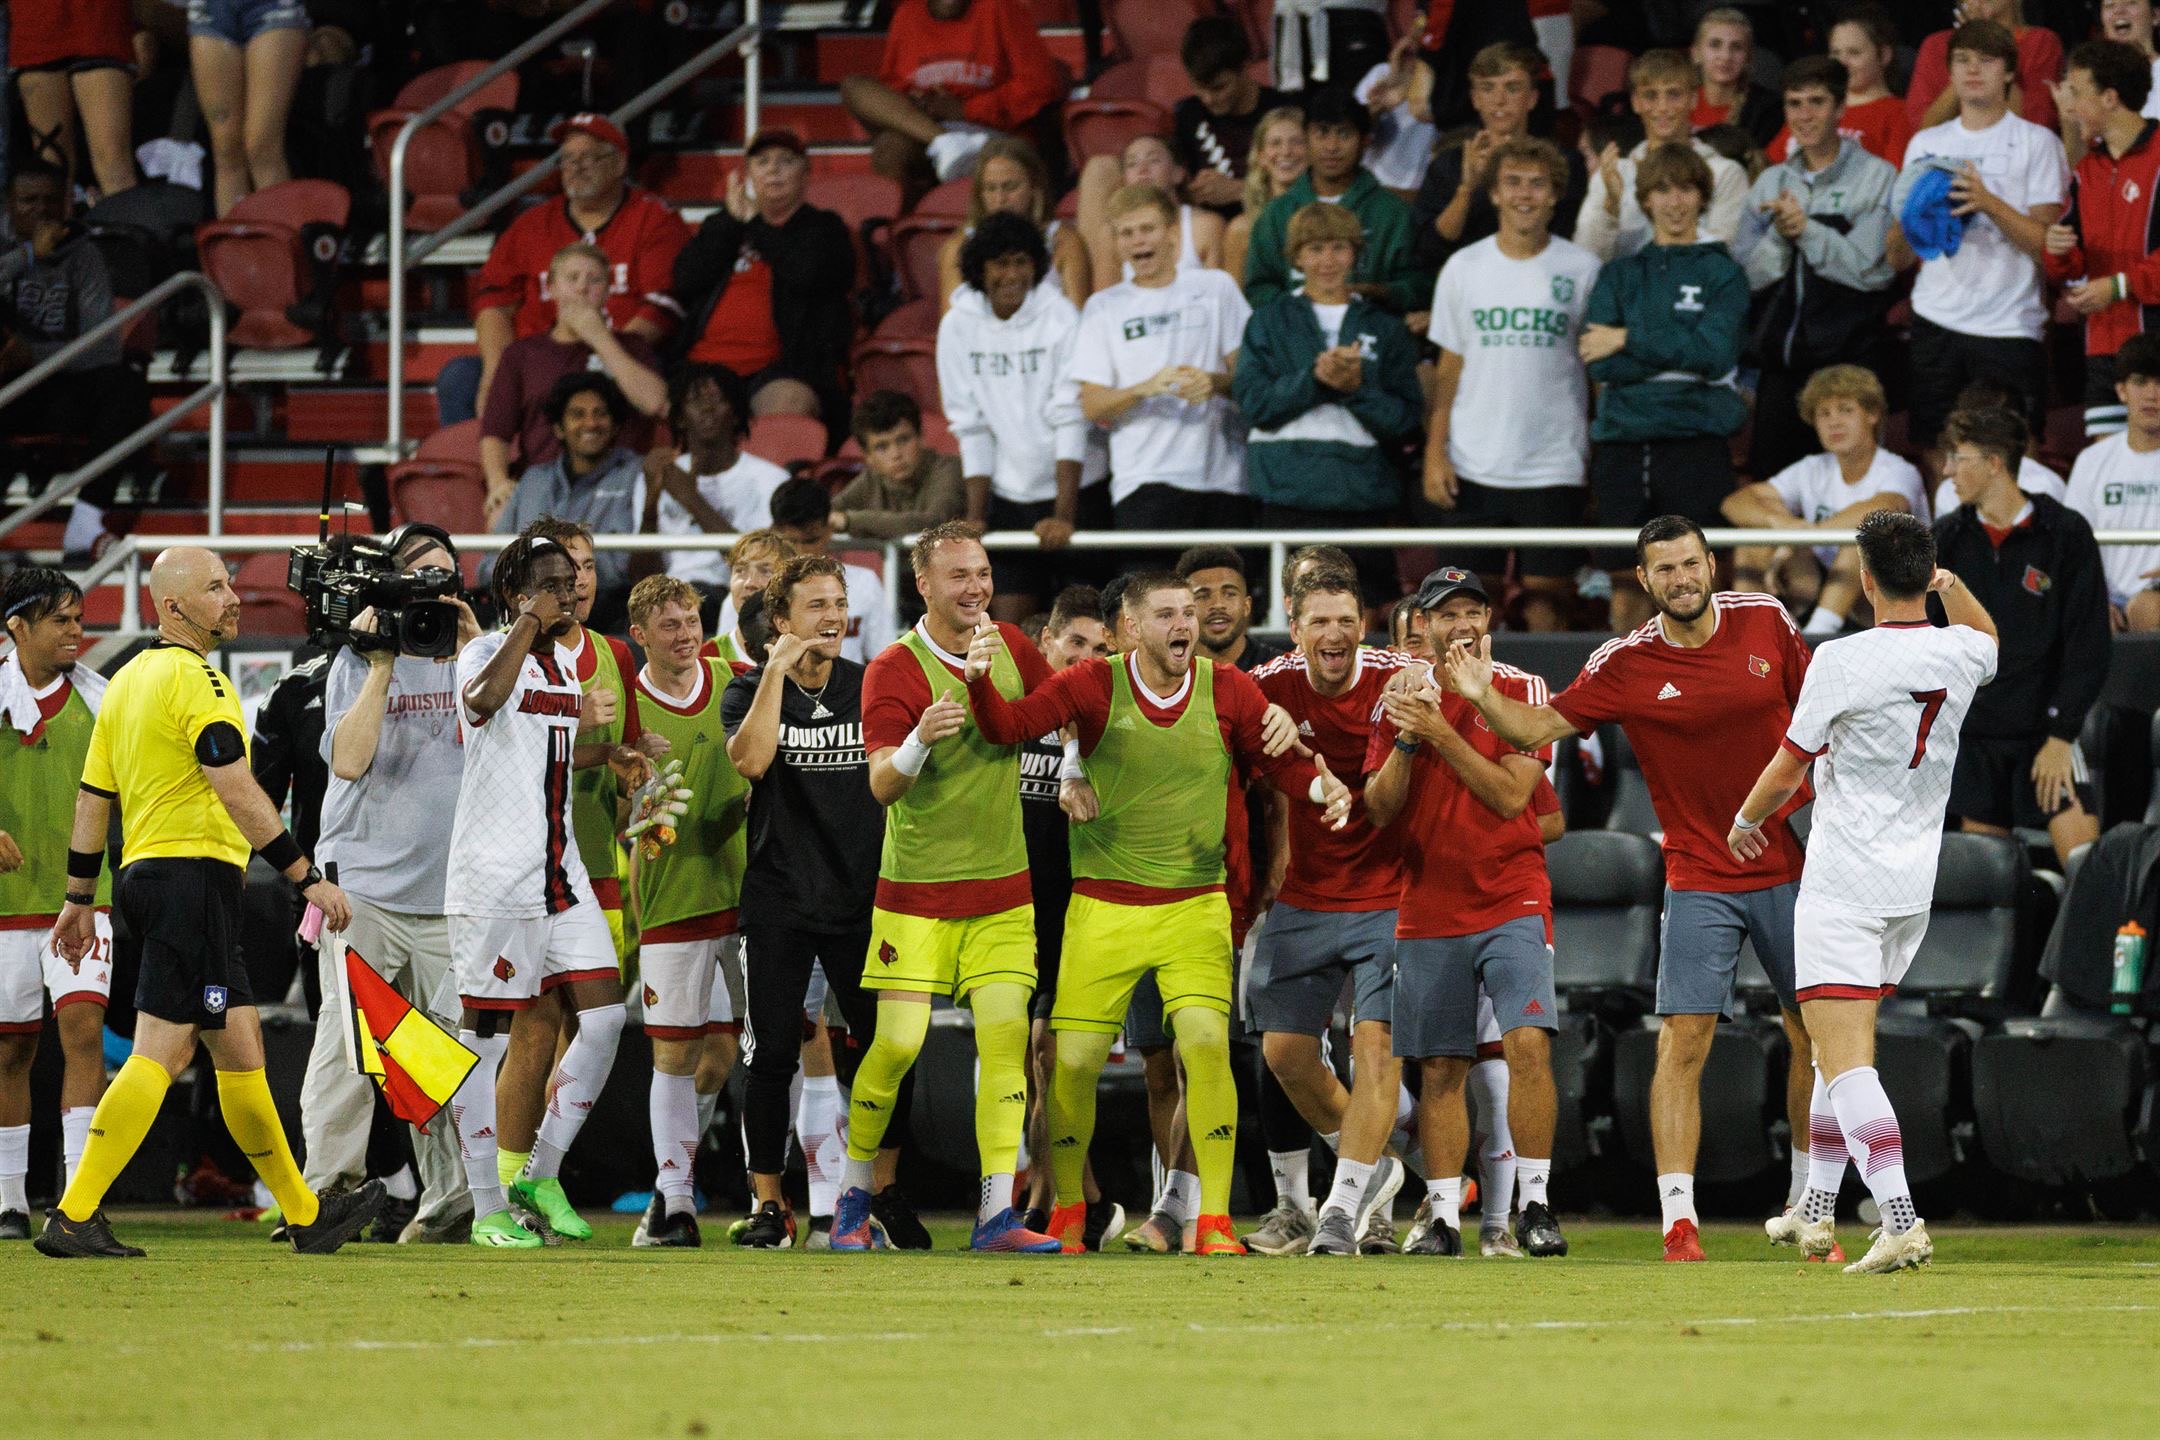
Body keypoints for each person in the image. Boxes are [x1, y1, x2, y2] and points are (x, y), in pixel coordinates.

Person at [1441, 516, 1821, 1264]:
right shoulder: (1625, 661)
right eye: (1664, 570)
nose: (1681, 578)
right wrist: (1482, 695)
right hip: (1699, 873)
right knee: (1683, 1042)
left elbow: (1819, 722)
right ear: (1643, 582)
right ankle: (1679, 1222)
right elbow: (1536, 726)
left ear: (1711, 564)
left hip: (1792, 862)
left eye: (1690, 564)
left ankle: (1809, 1204)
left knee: (1813, 1032)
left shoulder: (1767, 621)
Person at [962, 574, 1350, 1255]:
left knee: (1204, 1045)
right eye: (1168, 613)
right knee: (1073, 1062)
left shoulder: (1227, 689)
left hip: (1194, 906)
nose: (1187, 624)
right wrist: (977, 684)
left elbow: (1278, 763)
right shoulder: (1090, 685)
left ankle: (1215, 1222)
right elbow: (1008, 727)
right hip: (1103, 909)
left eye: (1190, 613)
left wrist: (1322, 785)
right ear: (1133, 628)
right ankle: (1071, 1213)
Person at [35, 546, 378, 1258]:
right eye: (216, 587)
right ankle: (73, 1212)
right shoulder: (199, 681)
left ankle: (305, 1214)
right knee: (163, 1051)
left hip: (152, 880)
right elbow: (232, 782)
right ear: (172, 606)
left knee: (240, 1048)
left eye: (229, 584)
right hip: (194, 880)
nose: (233, 598)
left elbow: (95, 797)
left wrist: (78, 897)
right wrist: (304, 875)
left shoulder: (126, 683)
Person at [1729, 511, 1999, 1274]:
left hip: (1845, 879)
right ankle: (1814, 1210)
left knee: (1844, 1060)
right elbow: (1993, 642)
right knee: (1831, 1051)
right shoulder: (1962, 650)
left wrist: (1744, 820)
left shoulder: (1842, 660)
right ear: (1928, 576)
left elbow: (1787, 767)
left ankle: (1900, 1217)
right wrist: (1956, 586)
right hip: (1912, 884)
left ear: (1868, 580)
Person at [839, 523, 1066, 1253]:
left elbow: (1062, 713)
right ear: (926, 587)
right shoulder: (893, 670)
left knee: (1003, 1048)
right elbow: (880, 785)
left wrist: (1082, 771)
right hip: (915, 897)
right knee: (897, 1046)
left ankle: (995, 1215)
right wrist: (918, 742)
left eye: (983, 573)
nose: (976, 589)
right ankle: (852, 1198)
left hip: (1003, 894)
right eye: (960, 576)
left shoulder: (1009, 647)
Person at [1368, 566, 1567, 1260]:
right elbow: (1379, 812)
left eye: (1471, 612)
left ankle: (1536, 1206)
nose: (1459, 625)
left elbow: (1516, 800)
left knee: (1528, 1047)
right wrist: (1405, 738)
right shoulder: (1396, 699)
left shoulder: (1523, 691)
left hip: (1512, 894)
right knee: (1442, 1068)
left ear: (1488, 621)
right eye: (1444, 614)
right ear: (1421, 625)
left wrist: (1442, 734)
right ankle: (1444, 1215)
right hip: (1427, 900)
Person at [722, 555, 919, 1249]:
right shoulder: (748, 692)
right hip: (779, 898)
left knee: (891, 1050)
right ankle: (770, 1207)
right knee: (772, 1053)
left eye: (839, 603)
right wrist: (775, 670)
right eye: (817, 606)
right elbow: (748, 761)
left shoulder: (871, 687)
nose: (834, 617)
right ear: (782, 621)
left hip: (866, 898)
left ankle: (881, 1193)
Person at [441, 534, 631, 1250]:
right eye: (553, 581)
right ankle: (485, 1204)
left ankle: (539, 1172)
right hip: (495, 881)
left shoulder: (557, 666)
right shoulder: (485, 652)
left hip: (561, 871)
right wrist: (524, 621)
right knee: (484, 1045)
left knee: (607, 1017)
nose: (572, 589)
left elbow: (544, 747)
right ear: (518, 592)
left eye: (575, 579)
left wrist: (607, 751)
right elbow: (483, 704)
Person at [303, 525, 482, 1246]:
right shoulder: (356, 656)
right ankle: (323, 1195)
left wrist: (471, 651)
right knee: (351, 1049)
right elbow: (346, 761)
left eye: (445, 578)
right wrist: (381, 664)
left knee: (446, 1055)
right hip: (366, 891)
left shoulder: (480, 658)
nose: (433, 592)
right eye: (420, 578)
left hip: (451, 894)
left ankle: (451, 1204)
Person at [1248, 569, 1421, 1255]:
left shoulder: (1396, 676)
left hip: (1391, 893)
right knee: (1284, 1052)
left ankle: (1341, 1211)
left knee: (1374, 1050)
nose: (1334, 633)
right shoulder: (1268, 685)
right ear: (1295, 628)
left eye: (1346, 619)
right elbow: (1218, 713)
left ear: (1363, 624)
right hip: (1308, 895)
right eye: (1318, 621)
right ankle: (1375, 1169)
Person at [622, 575, 752, 1249]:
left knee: (725, 1052)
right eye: (668, 625)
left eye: (690, 621)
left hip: (746, 895)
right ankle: (675, 1204)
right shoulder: (625, 707)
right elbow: (605, 805)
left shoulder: (736, 681)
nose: (684, 635)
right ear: (639, 635)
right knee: (674, 1054)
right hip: (671, 896)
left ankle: (670, 1195)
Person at [1425, 136, 1601, 633]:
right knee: (1461, 613)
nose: (1525, 194)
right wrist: (1436, 453)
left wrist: (1596, 454)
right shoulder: (1463, 268)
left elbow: (1595, 373)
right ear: (1495, 194)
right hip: (1473, 463)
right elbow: (1448, 370)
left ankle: (1548, 709)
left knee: (1550, 609)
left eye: (1537, 184)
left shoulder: (1583, 268)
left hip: (1554, 464)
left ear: (1555, 195)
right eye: (1513, 183)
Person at [1580, 143, 1750, 632]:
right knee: (1625, 581)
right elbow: (1600, 362)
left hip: (1697, 440)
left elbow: (1715, 355)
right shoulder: (1620, 273)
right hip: (1622, 444)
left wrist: (1630, 338)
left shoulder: (1723, 273)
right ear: (1645, 199)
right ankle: (1622, 693)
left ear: (1702, 197)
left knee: (1696, 585)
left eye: (1686, 189)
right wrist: (1679, 351)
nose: (1675, 202)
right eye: (1662, 190)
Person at [1933, 407, 2111, 867]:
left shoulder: (2066, 534)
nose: (1948, 469)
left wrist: (2061, 736)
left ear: (1995, 463)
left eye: (1959, 457)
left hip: (2045, 736)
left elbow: (2088, 645)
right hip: (1975, 739)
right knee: (1991, 881)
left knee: (2086, 869)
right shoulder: (1946, 539)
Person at [1890, 18, 2068, 457]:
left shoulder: (2037, 142)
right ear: (1948, 71)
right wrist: (1910, 225)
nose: (1973, 70)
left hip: (2009, 322)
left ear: (2009, 72)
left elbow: (2048, 247)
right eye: (1963, 61)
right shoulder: (1926, 143)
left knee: (2016, 450)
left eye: (1986, 61)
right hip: (1936, 315)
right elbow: (1898, 246)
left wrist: (1987, 202)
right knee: (1936, 450)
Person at [447, 113, 688, 428]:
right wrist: (496, 371)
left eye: (589, 157)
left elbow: (663, 307)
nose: (576, 166)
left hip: (617, 353)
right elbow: (494, 303)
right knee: (459, 378)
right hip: (535, 358)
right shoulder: (531, 224)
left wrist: (604, 355)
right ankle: (479, 473)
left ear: (619, 165)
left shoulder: (655, 219)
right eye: (568, 158)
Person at [1236, 203, 1424, 606]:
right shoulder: (1268, 321)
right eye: (1315, 248)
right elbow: (1254, 404)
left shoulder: (1384, 326)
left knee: (1368, 620)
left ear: (1355, 253)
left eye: (1338, 247)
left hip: (1363, 497)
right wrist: (1315, 380)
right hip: (1287, 494)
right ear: (1297, 257)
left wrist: (1355, 389)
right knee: (1289, 621)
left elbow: (1406, 420)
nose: (1327, 260)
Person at [0, 569, 110, 1239]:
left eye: (78, 617)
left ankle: (77, 1196)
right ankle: (9, 1198)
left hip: (82, 903)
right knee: (10, 1054)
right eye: (61, 620)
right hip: (7, 907)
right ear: (16, 626)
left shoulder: (101, 700)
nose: (77, 631)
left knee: (84, 1035)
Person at [1015, 587, 1122, 1247]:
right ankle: (1071, 1200)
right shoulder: (1012, 716)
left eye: (1100, 648)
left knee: (1047, 1060)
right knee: (1029, 1069)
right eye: (1074, 643)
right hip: (1011, 913)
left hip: (1079, 916)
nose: (1084, 658)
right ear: (1047, 642)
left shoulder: (1111, 721)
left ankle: (1056, 1203)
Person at [1734, 56, 1899, 482]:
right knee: (1773, 491)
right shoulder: (1769, 182)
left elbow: (1871, 271)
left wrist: (1806, 230)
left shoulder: (1877, 177)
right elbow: (1745, 276)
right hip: (1781, 367)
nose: (1804, 116)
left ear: (1841, 109)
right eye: (1794, 104)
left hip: (1851, 364)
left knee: (1857, 495)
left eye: (1816, 102)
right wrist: (1781, 238)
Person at [938, 212, 1101, 621]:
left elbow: (1070, 415)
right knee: (1007, 632)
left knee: (1086, 628)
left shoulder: (1061, 317)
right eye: (1000, 263)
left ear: (1037, 266)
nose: (1012, 274)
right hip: (1009, 498)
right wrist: (977, 514)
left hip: (1079, 492)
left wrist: (1064, 515)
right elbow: (970, 424)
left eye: (1021, 262)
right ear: (979, 268)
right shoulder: (957, 326)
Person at [1072, 184, 1253, 536]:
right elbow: (1092, 405)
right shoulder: (1103, 307)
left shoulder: (1217, 287)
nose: (1139, 241)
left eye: (1148, 229)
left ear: (1172, 233)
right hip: (1144, 480)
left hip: (1224, 479)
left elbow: (1249, 380)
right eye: (1127, 232)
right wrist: (1145, 388)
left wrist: (1214, 383)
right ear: (1117, 243)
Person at [0, 162, 150, 560]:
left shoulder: (84, 257)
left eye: (51, 200)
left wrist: (33, 356)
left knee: (126, 384)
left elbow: (104, 348)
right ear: (9, 206)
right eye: (29, 201)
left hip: (54, 388)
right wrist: (29, 255)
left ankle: (85, 519)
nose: (41, 210)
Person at [1722, 364, 1929, 636]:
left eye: (1846, 410)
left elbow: (1883, 508)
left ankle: (1818, 636)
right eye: (1824, 413)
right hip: (1817, 582)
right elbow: (1735, 503)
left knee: (1867, 538)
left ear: (1873, 414)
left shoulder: (1898, 469)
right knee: (1754, 536)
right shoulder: (1812, 467)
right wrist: (1780, 524)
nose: (1834, 422)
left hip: (1894, 595)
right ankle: (1753, 639)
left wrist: (1800, 537)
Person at [669, 129, 854, 430]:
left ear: (806, 172)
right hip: (703, 366)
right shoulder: (723, 224)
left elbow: (807, 274)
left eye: (786, 161)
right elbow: (686, 280)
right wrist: (731, 221)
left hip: (782, 371)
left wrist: (756, 224)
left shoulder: (824, 228)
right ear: (748, 174)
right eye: (762, 161)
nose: (773, 169)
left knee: (789, 403)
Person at [478, 243, 668, 518]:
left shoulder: (632, 347)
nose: (582, 288)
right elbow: (495, 430)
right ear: (551, 288)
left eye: (595, 280)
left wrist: (599, 337)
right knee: (500, 511)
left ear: (607, 290)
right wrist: (497, 482)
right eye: (572, 278)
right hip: (544, 479)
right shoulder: (522, 354)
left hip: (617, 481)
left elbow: (657, 403)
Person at [2042, 41, 2160, 440]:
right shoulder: (2086, 170)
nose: (2069, 106)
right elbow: (2070, 264)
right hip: (2103, 346)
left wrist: (2119, 285)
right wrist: (2059, 253)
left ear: (2110, 98)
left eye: (2076, 93)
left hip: (2155, 341)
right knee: (2110, 463)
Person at [839, 0, 1069, 205]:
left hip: (988, 134)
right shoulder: (907, 13)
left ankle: (949, 148)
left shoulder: (1002, 7)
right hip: (930, 130)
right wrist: (914, 101)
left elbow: (1041, 84)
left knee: (891, 144)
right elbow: (893, 85)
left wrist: (966, 109)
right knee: (856, 91)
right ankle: (906, 237)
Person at [1242, 87, 1425, 313]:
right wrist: (1303, 309)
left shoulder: (1393, 213)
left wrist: (1377, 292)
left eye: (1344, 134)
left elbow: (1419, 287)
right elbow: (1258, 289)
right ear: (1306, 138)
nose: (1331, 147)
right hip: (1297, 341)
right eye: (1322, 132)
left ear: (1365, 141)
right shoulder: (1276, 214)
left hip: (1369, 336)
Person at [1411, 42, 1587, 276]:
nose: (1499, 100)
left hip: (1539, 278)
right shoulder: (1448, 165)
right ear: (1475, 99)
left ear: (1532, 98)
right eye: (1487, 88)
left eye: (1512, 88)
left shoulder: (1563, 163)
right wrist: (1466, 189)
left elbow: (1564, 238)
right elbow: (1429, 247)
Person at [487, 374, 642, 629]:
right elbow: (489, 563)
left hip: (606, 609)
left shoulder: (635, 474)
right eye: (578, 414)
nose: (590, 423)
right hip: (526, 606)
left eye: (600, 413)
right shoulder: (533, 480)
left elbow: (623, 567)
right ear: (559, 427)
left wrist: (554, 573)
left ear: (615, 425)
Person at [1575, 50, 1749, 261]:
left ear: (1693, 99)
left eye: (1673, 94)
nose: (1662, 107)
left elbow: (1721, 258)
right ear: (1635, 103)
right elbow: (1586, 260)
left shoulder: (1724, 173)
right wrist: (1610, 211)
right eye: (1651, 95)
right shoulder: (1613, 173)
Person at [632, 365, 790, 591]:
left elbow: (757, 566)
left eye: (718, 399)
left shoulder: (771, 481)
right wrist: (650, 506)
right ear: (679, 418)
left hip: (732, 595)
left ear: (736, 415)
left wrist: (691, 499)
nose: (707, 408)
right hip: (666, 598)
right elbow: (640, 577)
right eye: (695, 400)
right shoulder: (659, 473)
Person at [2065, 333, 2160, 631]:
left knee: (2148, 609)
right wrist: (2096, 599)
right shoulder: (2092, 460)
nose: (2152, 394)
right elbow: (2072, 545)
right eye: (2141, 381)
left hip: (2154, 599)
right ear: (2121, 390)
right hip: (2106, 597)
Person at [936, 135, 1090, 313]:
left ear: (1034, 187)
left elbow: (1076, 319)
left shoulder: (1064, 242)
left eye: (1010, 187)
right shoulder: (958, 248)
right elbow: (951, 325)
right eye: (991, 188)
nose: (1000, 199)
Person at [188, 0, 309, 214]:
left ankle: (279, 244)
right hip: (211, 10)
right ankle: (234, 245)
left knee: (262, 146)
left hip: (272, 7)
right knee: (225, 151)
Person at [7, 0, 137, 199]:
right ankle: (54, 230)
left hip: (98, 19)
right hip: (35, 18)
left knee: (113, 167)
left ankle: (124, 229)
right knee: (50, 173)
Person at [766, 478, 895, 664]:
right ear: (775, 532)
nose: (802, 552)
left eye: (811, 541)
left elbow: (883, 660)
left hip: (850, 691)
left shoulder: (865, 583)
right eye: (792, 542)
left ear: (829, 529)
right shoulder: (756, 587)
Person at [1077, 134, 1226, 293]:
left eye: (1153, 160)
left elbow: (1220, 298)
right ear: (1124, 181)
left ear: (1178, 173)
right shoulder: (1112, 235)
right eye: (1132, 164)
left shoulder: (1207, 225)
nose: (1142, 170)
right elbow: (1105, 305)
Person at [1765, 7, 1913, 167]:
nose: (1842, 63)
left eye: (1854, 53)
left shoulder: (1899, 114)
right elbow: (1770, 165)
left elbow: (1894, 180)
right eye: (1836, 53)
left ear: (1884, 55)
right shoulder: (1812, 105)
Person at [1173, 16, 1287, 219]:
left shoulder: (1282, 112)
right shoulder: (1187, 114)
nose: (1208, 99)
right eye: (1199, 88)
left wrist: (1239, 190)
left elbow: (1311, 191)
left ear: (1244, 67)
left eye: (1219, 87)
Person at [1906, 0, 2063, 133]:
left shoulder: (2041, 41)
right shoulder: (1936, 45)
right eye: (1961, 59)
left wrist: (1988, 43)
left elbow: (2037, 123)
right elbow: (1923, 129)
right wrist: (1971, 39)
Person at [832, 391, 967, 542]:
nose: (896, 454)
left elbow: (935, 523)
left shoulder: (949, 468)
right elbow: (828, 513)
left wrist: (849, 521)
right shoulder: (872, 479)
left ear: (921, 437)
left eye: (903, 440)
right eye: (882, 447)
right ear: (868, 456)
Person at [1224, 108, 1310, 290]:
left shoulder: (1330, 214)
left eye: (1296, 142)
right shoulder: (1241, 229)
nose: (1286, 151)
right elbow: (1234, 301)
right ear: (1261, 156)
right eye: (1275, 143)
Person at [1177, 546, 1284, 673]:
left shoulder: (1280, 671)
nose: (1217, 604)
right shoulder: (1165, 673)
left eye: (1229, 594)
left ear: (1246, 606)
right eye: (1203, 596)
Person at [1688, 8, 1779, 146]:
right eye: (1715, 45)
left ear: (1748, 58)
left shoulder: (1768, 111)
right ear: (1696, 53)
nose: (1726, 56)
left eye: (1736, 47)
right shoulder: (1676, 102)